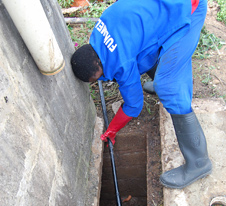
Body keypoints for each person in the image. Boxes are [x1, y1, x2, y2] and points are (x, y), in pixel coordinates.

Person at [71, 0, 212, 189]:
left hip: (187, 10)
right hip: (166, 8)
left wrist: (111, 129)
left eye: (99, 78)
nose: (103, 80)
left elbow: (134, 105)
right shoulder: (101, 28)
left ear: (97, 68)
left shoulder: (120, 62)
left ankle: (199, 163)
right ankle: (161, 80)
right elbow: (141, 47)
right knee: (146, 50)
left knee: (168, 85)